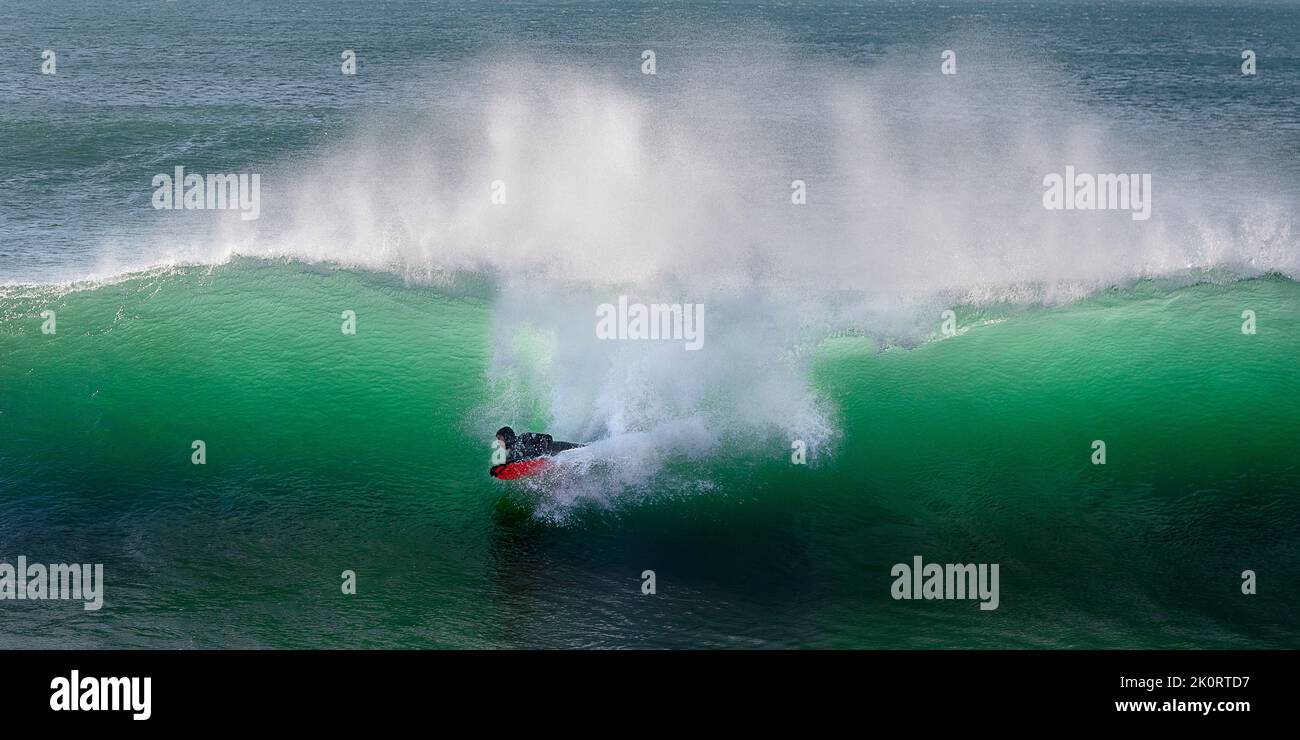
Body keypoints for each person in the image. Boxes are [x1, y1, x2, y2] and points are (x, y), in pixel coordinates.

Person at [495, 426, 584, 463]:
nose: (498, 442)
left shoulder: (524, 438)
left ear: (507, 436)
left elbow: (547, 437)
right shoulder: (513, 453)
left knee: (586, 448)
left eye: (500, 438)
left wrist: (543, 453)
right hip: (559, 459)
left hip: (564, 448)